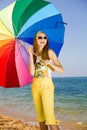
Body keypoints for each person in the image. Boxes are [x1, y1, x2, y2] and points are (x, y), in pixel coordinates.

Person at [27, 31, 64, 130]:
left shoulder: (49, 52)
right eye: (40, 37)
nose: (43, 39)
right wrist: (30, 55)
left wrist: (50, 64)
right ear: (35, 39)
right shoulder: (33, 54)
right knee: (41, 120)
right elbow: (31, 73)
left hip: (47, 86)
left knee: (50, 119)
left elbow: (62, 70)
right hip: (35, 87)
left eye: (45, 37)